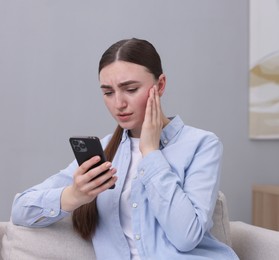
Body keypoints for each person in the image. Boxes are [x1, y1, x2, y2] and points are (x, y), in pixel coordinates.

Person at [11, 38, 238, 259]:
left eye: (130, 89)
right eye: (108, 92)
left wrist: (150, 153)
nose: (118, 103)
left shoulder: (201, 144)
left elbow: (186, 237)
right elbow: (20, 209)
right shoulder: (104, 150)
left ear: (160, 86)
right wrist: (73, 195)